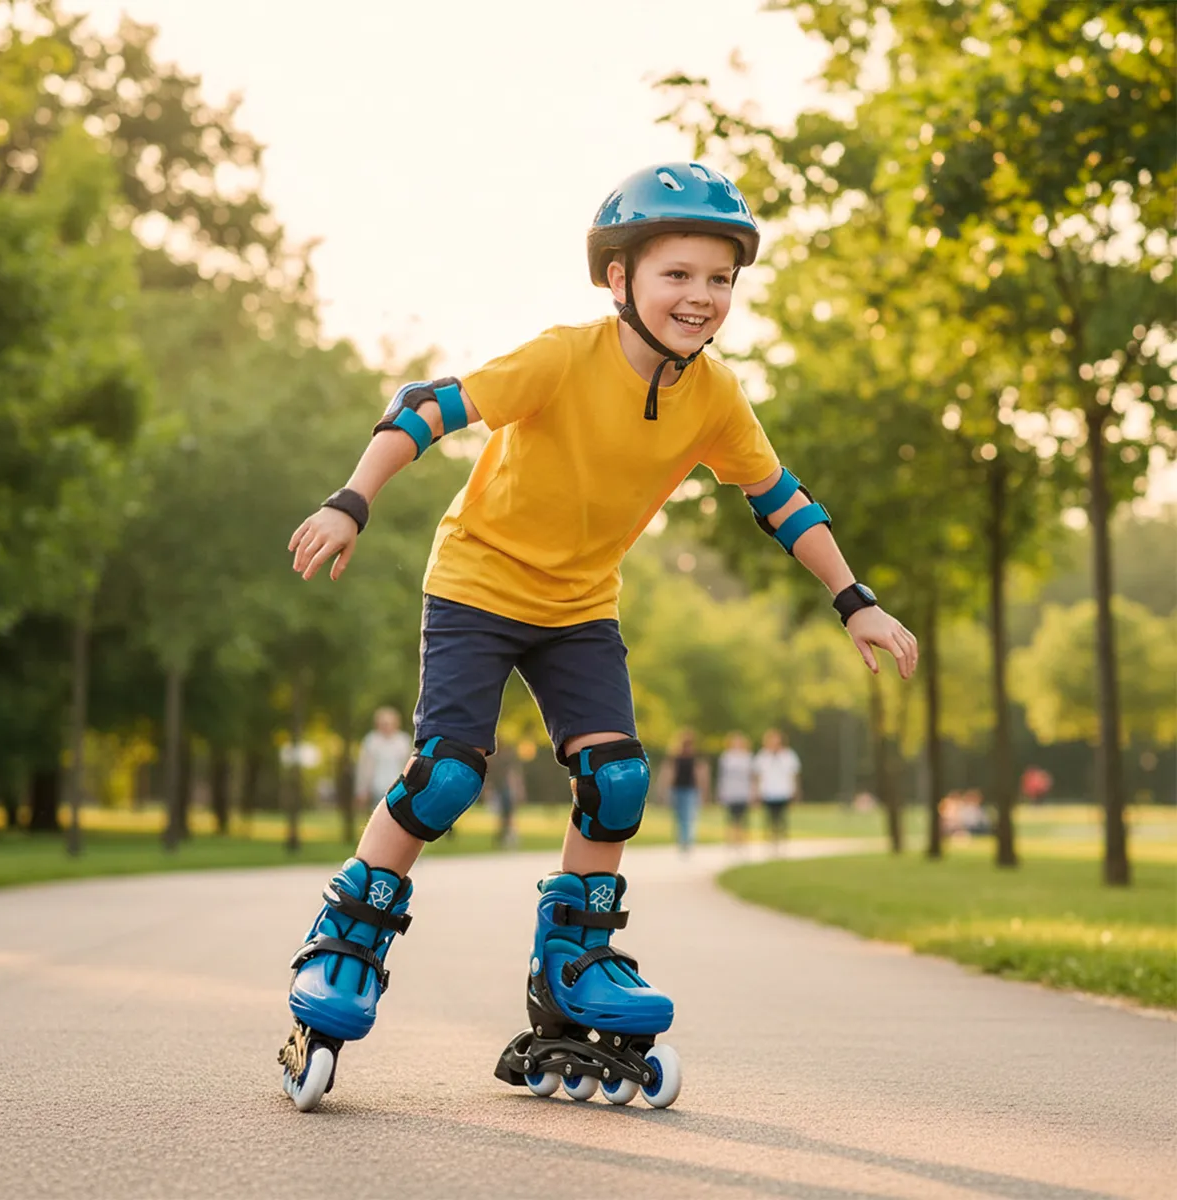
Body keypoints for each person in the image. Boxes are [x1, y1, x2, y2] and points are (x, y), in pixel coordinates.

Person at [279, 161, 919, 1112]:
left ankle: (573, 966)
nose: (701, 297)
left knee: (618, 778)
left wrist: (853, 597)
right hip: (477, 584)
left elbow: (779, 498)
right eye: (678, 275)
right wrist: (351, 501)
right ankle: (347, 940)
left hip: (580, 608)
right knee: (448, 772)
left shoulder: (714, 396)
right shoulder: (561, 357)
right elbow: (428, 405)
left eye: (719, 279)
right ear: (619, 279)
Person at [657, 729, 710, 852]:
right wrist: (664, 790)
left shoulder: (696, 758)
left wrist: (704, 791)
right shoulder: (676, 757)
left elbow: (701, 776)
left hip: (690, 790)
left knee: (688, 816)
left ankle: (687, 841)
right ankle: (682, 840)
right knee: (679, 816)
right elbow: (669, 773)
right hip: (677, 789)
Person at [354, 707, 413, 813]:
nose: (386, 726)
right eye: (383, 723)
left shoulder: (403, 741)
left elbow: (408, 766)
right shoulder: (371, 741)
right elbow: (364, 768)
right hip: (377, 789)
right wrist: (362, 790)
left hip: (399, 789)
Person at [753, 728, 801, 846]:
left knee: (782, 819)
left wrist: (795, 790)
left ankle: (782, 842)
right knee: (769, 819)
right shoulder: (762, 756)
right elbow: (758, 775)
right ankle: (770, 842)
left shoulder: (788, 755)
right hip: (767, 792)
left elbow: (794, 774)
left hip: (783, 792)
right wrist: (756, 791)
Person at [716, 732, 754, 846]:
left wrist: (753, 792)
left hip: (743, 792)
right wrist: (720, 792)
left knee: (743, 818)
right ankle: (731, 840)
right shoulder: (726, 757)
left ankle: (742, 841)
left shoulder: (748, 757)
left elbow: (752, 777)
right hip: (730, 792)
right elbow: (722, 776)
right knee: (730, 818)